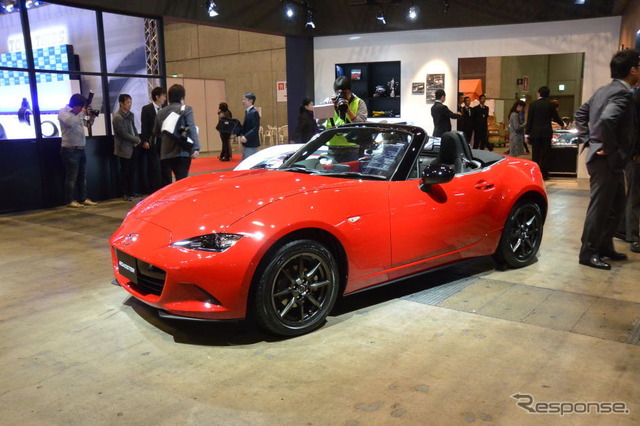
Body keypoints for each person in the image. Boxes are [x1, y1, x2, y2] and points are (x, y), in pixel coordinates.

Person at [575, 48, 640, 270]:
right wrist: (609, 149)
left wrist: (589, 140)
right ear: (632, 70)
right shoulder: (621, 94)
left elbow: (580, 114)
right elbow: (607, 120)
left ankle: (604, 246)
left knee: (617, 205)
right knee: (600, 207)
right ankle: (588, 252)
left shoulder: (604, 90)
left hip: (607, 160)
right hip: (606, 161)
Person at [154, 84, 200, 186]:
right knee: (182, 182)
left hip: (165, 153)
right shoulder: (186, 109)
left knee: (167, 184)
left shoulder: (161, 112)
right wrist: (196, 148)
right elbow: (191, 128)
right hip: (181, 151)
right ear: (182, 97)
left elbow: (156, 132)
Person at [57, 93, 97, 208]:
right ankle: (70, 200)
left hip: (81, 148)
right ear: (75, 105)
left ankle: (83, 198)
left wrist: (91, 118)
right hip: (69, 150)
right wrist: (82, 113)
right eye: (81, 107)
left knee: (82, 176)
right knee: (72, 177)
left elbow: (87, 124)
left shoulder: (78, 114)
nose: (81, 109)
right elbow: (70, 123)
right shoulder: (63, 112)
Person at [616, 86, 640, 253]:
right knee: (635, 196)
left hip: (633, 154)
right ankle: (634, 237)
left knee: (634, 194)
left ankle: (624, 229)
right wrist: (634, 152)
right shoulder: (635, 98)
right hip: (635, 156)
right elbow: (632, 128)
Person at [525, 86, 564, 180]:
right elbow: (556, 117)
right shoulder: (550, 105)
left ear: (539, 93)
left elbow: (530, 120)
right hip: (546, 133)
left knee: (536, 154)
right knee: (545, 154)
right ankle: (544, 174)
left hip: (535, 133)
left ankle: (535, 174)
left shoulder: (533, 104)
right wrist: (562, 124)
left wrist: (527, 134)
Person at [113, 94, 141, 202]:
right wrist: (136, 140)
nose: (130, 104)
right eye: (127, 102)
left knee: (132, 170)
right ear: (121, 104)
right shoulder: (117, 117)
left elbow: (134, 129)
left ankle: (132, 191)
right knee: (125, 171)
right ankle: (125, 193)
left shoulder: (130, 115)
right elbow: (123, 134)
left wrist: (137, 138)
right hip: (124, 148)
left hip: (133, 146)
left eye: (130, 102)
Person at [139, 86, 166, 193]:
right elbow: (144, 126)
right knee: (154, 167)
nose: (164, 98)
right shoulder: (147, 109)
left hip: (164, 142)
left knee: (165, 167)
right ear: (157, 97)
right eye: (163, 96)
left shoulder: (165, 109)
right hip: (153, 141)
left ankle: (165, 188)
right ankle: (155, 190)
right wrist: (145, 140)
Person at [238, 92, 260, 160]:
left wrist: (246, 136)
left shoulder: (254, 112)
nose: (243, 101)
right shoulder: (248, 112)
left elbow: (255, 128)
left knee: (248, 161)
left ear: (251, 101)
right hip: (247, 143)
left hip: (251, 143)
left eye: (244, 99)